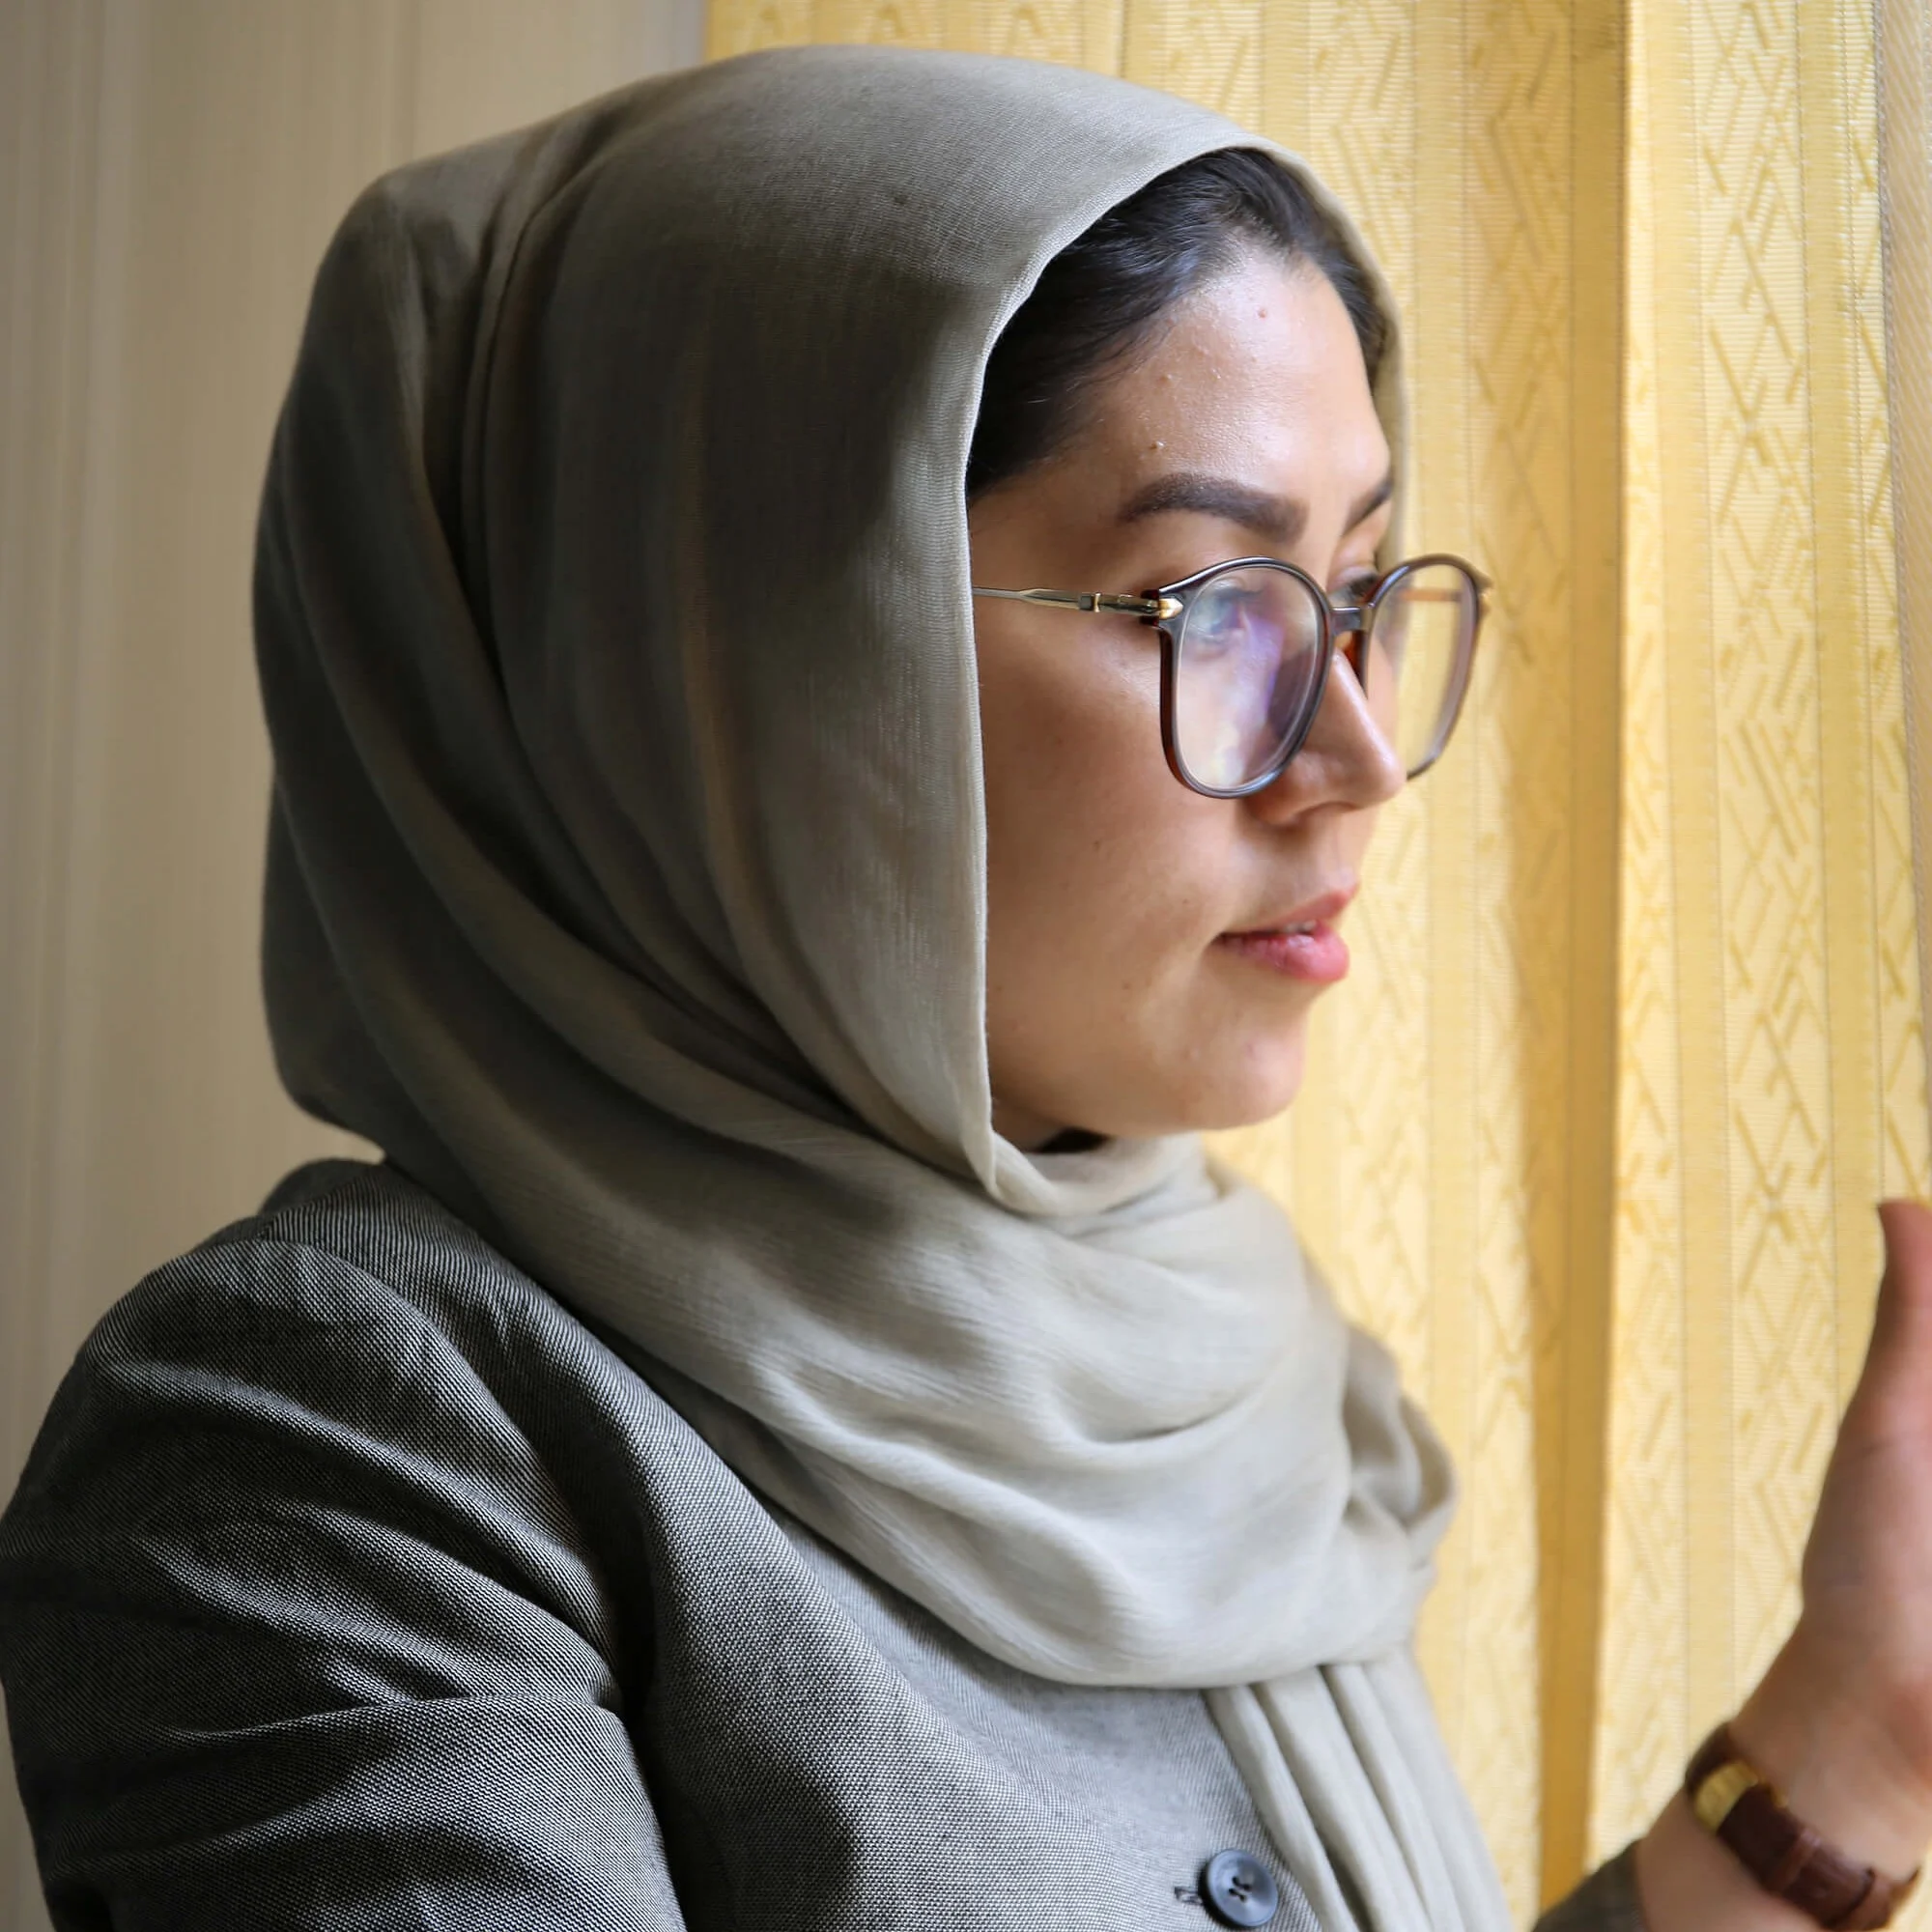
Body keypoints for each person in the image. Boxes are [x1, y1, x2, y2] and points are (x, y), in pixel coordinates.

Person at [3, 43, 1931, 1932]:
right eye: (1218, 605)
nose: (1353, 755)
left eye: (1356, 599)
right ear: (743, 655)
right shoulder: (329, 1444)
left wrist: (1847, 1739)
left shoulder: (1222, 1385)